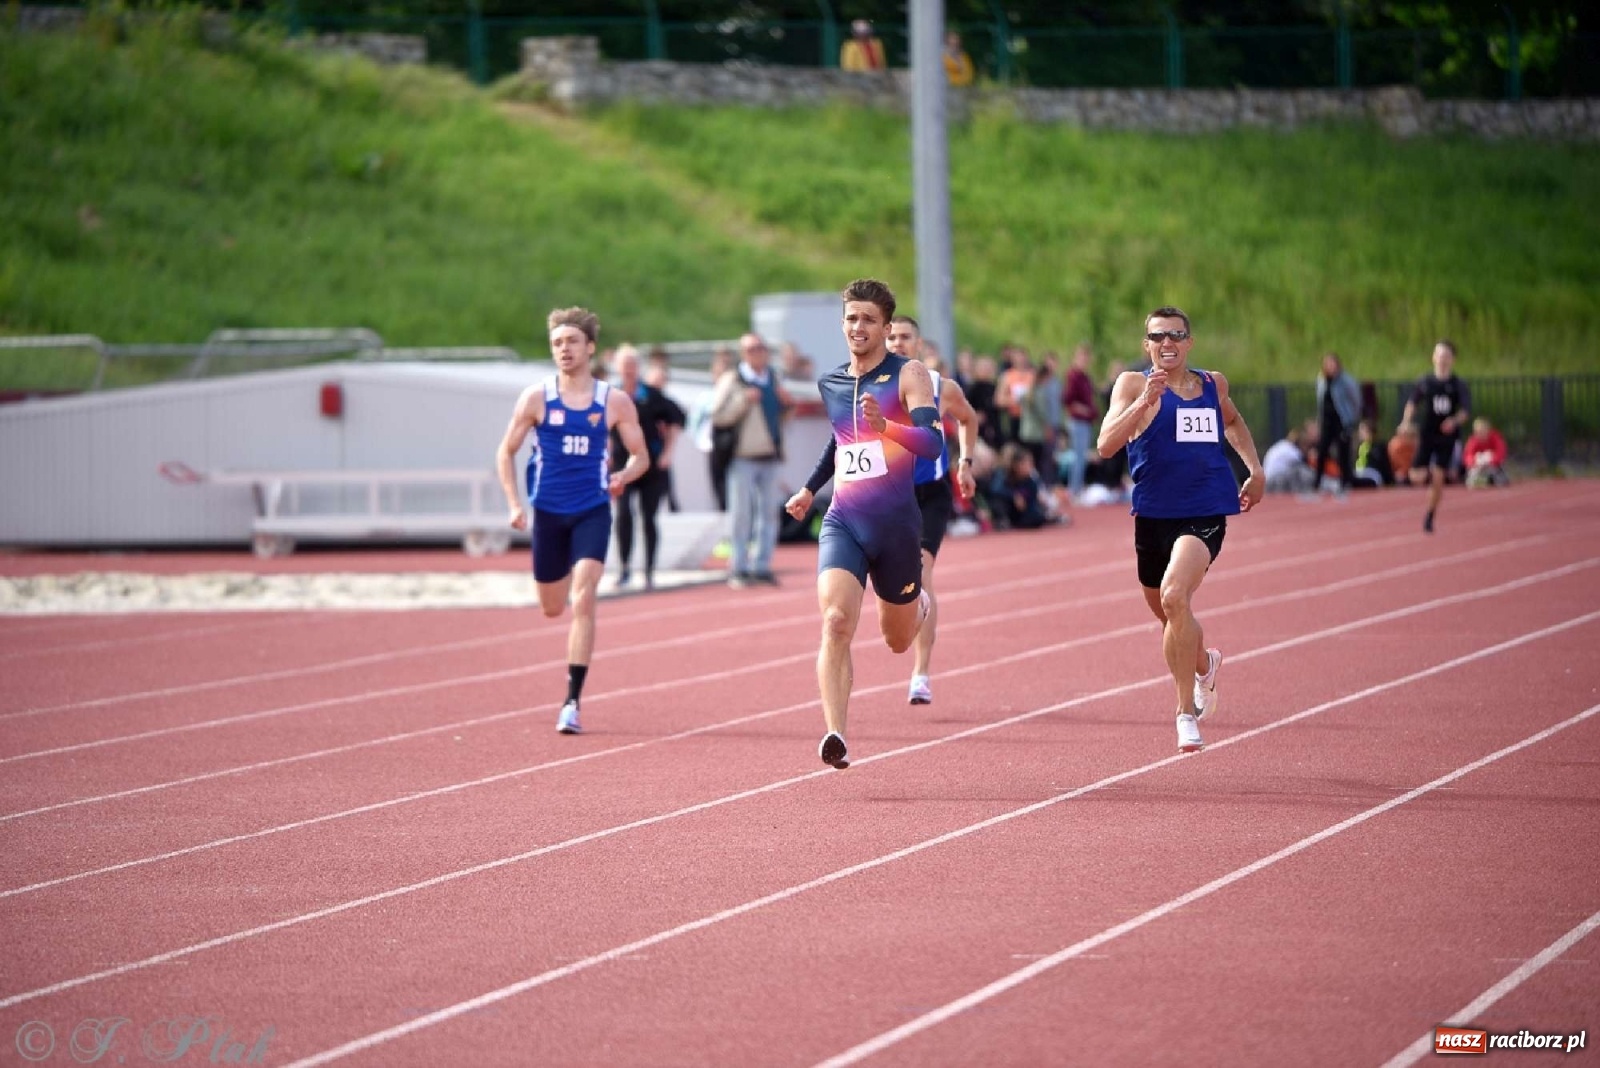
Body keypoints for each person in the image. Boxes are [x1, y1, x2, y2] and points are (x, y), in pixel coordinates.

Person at [783, 279, 942, 769]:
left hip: (896, 527)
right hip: (845, 519)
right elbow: (840, 444)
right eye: (852, 318)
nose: (859, 326)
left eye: (869, 319)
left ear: (886, 326)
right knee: (834, 621)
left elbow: (933, 444)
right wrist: (810, 489)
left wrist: (888, 427)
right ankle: (836, 733)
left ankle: (918, 605)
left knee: (897, 641)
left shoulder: (907, 374)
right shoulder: (831, 382)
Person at [1097, 307, 1264, 754]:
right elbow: (1106, 444)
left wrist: (1254, 468)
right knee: (1168, 612)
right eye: (1158, 337)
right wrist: (1142, 402)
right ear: (1146, 345)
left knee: (1174, 597)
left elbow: (1232, 420)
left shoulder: (1212, 385)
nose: (1167, 343)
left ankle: (1184, 713)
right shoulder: (1133, 384)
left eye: (1176, 335)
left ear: (1189, 342)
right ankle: (1205, 663)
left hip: (1206, 510)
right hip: (1153, 515)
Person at [495, 307, 649, 736]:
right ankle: (557, 589)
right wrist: (514, 503)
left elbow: (642, 455)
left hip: (592, 510)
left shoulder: (612, 401)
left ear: (590, 348)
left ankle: (571, 702)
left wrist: (623, 474)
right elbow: (505, 452)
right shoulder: (536, 399)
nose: (564, 349)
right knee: (552, 607)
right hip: (547, 513)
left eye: (572, 342)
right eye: (557, 343)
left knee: (584, 596)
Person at [885, 314, 977, 705]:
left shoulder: (941, 387)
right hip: (888, 495)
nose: (896, 344)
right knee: (890, 592)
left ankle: (921, 673)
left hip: (928, 494)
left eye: (904, 337)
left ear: (919, 345)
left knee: (923, 576)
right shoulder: (870, 386)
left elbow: (969, 418)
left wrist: (965, 462)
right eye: (890, 337)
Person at [711, 333, 793, 586]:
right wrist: (742, 401)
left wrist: (788, 406)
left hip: (769, 454)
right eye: (751, 349)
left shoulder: (773, 378)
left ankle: (761, 565)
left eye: (760, 348)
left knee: (769, 513)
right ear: (743, 353)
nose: (757, 353)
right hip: (742, 455)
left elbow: (780, 417)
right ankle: (738, 566)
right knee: (741, 513)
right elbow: (717, 415)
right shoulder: (734, 380)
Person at [610, 344, 685, 589]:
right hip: (623, 466)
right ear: (618, 368)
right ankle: (624, 569)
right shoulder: (612, 396)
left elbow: (677, 419)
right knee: (623, 514)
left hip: (651, 466)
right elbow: (599, 428)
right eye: (625, 365)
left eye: (633, 365)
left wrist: (668, 453)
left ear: (638, 367)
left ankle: (649, 571)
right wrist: (605, 454)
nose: (629, 370)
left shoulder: (652, 395)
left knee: (649, 517)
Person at [1400, 339, 1471, 533]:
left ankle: (1430, 515)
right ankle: (1430, 476)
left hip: (1446, 437)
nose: (1442, 359)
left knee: (1439, 477)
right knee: (1416, 476)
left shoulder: (1458, 384)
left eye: (1446, 356)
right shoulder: (1425, 382)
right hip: (1427, 433)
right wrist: (1406, 422)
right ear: (1433, 357)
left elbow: (1465, 411)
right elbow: (1412, 403)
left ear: (1453, 360)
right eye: (1439, 355)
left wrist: (1454, 421)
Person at [1315, 351, 1361, 493]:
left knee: (1343, 452)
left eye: (1333, 364)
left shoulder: (1346, 381)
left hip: (1341, 421)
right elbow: (1321, 402)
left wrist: (1352, 419)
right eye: (1328, 364)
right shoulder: (1322, 380)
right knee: (1322, 451)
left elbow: (1356, 400)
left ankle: (1345, 481)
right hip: (1326, 422)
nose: (1331, 367)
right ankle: (1317, 482)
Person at [1062, 343, 1099, 500]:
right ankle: (1074, 490)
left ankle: (1077, 487)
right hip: (1077, 421)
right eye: (1082, 357)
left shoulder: (1085, 377)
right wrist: (1084, 410)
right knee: (1078, 457)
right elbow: (1069, 400)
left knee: (1082, 456)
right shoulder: (1073, 376)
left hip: (1086, 422)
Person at [1463, 417, 1509, 488]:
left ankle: (1493, 479)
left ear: (1488, 430)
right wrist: (1476, 462)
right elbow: (1468, 455)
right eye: (1477, 432)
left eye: (1482, 431)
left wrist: (1490, 460)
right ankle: (1479, 480)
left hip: (1493, 466)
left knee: (1500, 477)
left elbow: (1501, 453)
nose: (1480, 434)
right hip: (1478, 466)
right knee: (1471, 476)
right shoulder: (1472, 440)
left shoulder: (1496, 438)